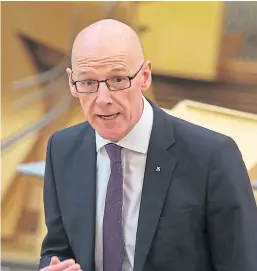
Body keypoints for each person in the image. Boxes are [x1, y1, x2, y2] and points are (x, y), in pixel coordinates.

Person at [39, 19, 257, 271]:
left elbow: (242, 263)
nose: (103, 99)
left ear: (145, 76)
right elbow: (56, 248)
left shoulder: (212, 157)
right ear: (72, 83)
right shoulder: (61, 149)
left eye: (118, 80)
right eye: (88, 83)